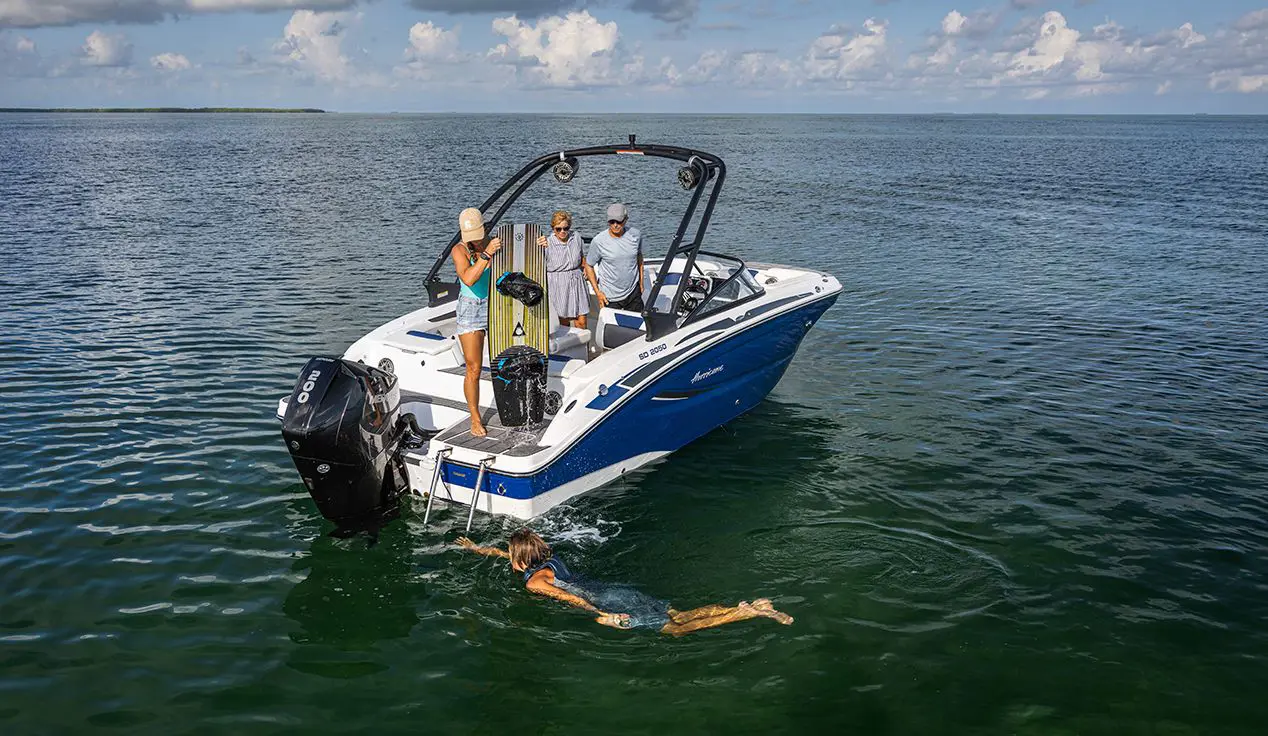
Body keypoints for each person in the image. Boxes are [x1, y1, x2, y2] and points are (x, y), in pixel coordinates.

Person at [456, 530, 793, 635]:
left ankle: (750, 614)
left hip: (607, 602)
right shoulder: (547, 558)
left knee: (674, 630)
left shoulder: (534, 583)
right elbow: (508, 554)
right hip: (615, 589)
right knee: (678, 612)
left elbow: (573, 600)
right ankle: (741, 606)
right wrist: (480, 550)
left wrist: (602, 616)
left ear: (521, 560)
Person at [450, 207, 502, 438]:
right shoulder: (459, 249)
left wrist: (540, 244)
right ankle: (475, 417)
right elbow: (469, 278)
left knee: (505, 361)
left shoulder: (495, 242)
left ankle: (510, 408)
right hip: (471, 308)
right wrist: (487, 255)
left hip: (495, 305)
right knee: (474, 368)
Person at [584, 203, 645, 312]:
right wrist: (598, 293)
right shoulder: (598, 241)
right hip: (610, 297)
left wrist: (641, 282)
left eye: (619, 221)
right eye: (611, 222)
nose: (615, 225)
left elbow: (639, 257)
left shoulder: (636, 235)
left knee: (639, 326)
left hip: (633, 293)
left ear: (626, 219)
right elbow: (589, 265)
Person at [535, 210, 589, 330]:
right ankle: (568, 346)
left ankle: (584, 347)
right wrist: (536, 245)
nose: (562, 232)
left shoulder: (576, 238)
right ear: (553, 228)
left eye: (566, 228)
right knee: (563, 322)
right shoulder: (546, 244)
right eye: (558, 229)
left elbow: (581, 258)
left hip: (577, 281)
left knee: (582, 321)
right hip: (558, 284)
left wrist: (585, 269)